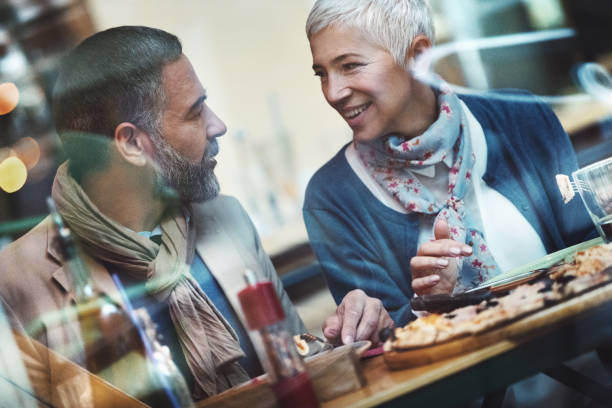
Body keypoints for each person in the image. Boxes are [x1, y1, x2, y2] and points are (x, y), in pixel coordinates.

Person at [0, 25, 390, 406]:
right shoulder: (13, 284)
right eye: (195, 111)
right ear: (132, 143)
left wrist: (349, 339)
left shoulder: (227, 218)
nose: (217, 125)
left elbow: (297, 367)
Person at [302, 0, 595, 329]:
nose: (333, 92)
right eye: (322, 74)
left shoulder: (524, 117)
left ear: (418, 56)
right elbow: (382, 354)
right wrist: (431, 307)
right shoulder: (332, 197)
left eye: (350, 66)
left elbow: (595, 257)